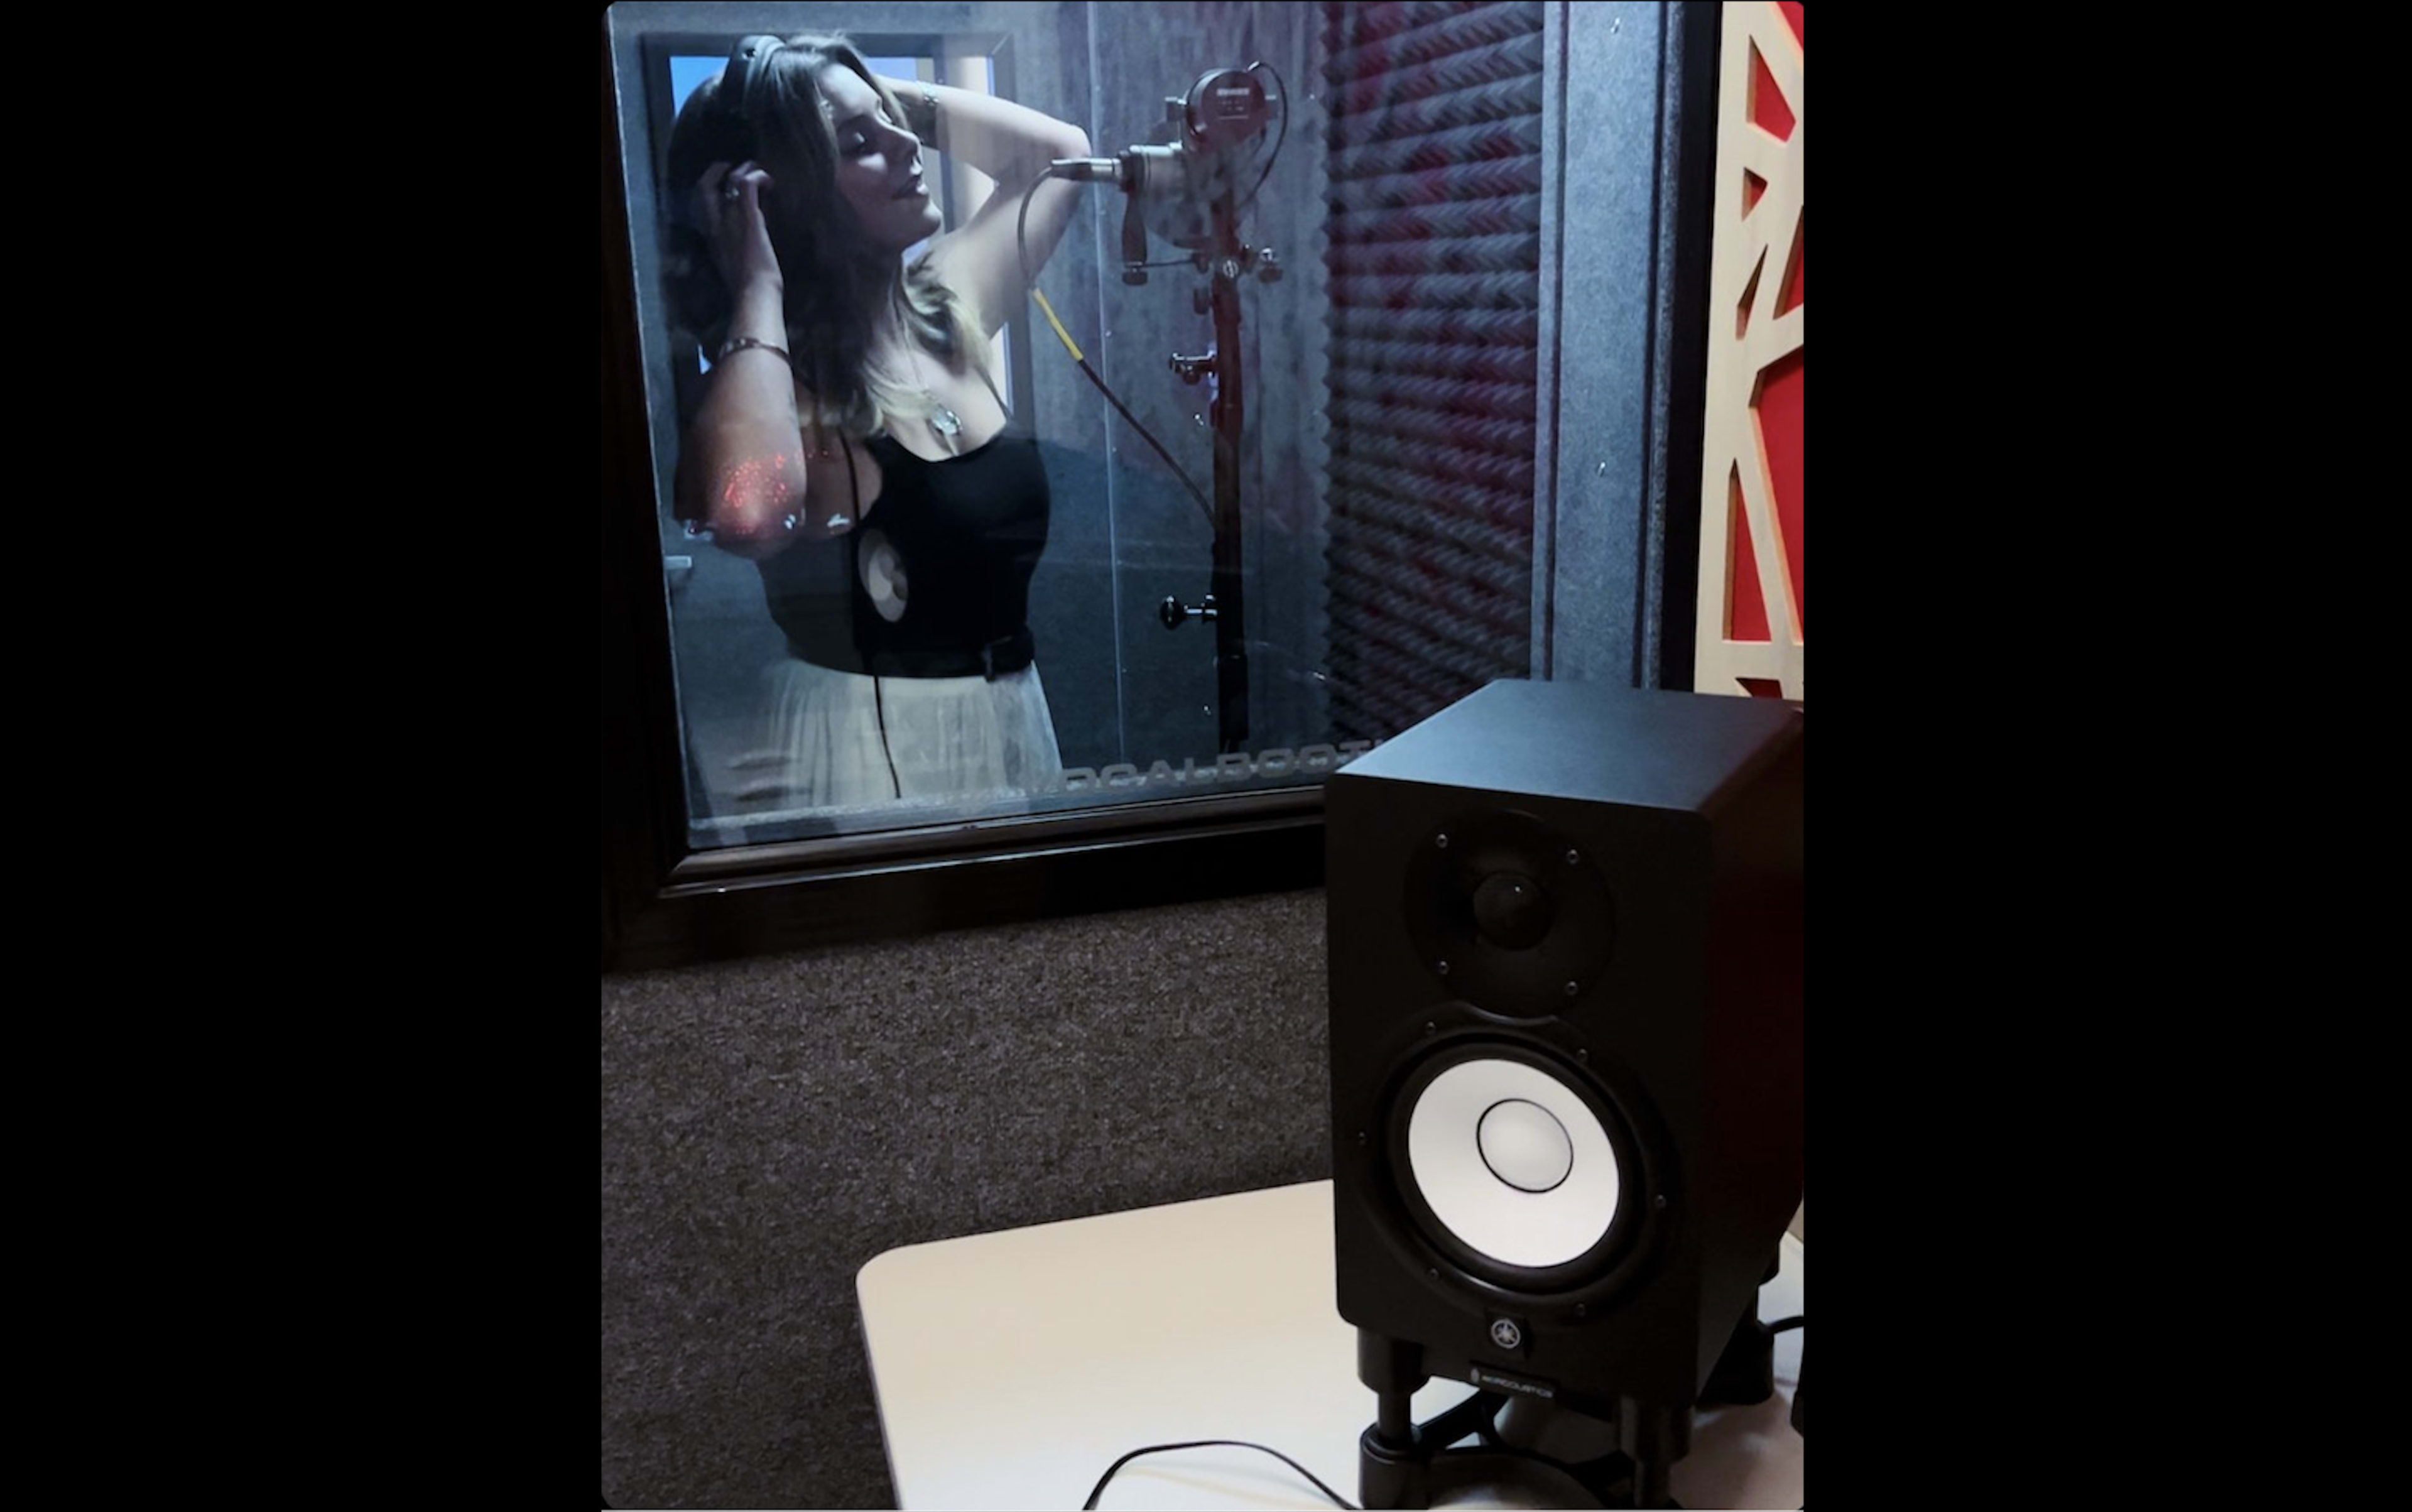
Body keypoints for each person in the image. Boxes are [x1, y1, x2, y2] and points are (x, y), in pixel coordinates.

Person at [663, 33, 1090, 812]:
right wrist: (759, 284)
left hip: (1011, 715)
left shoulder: (945, 303)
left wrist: (837, 87)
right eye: (861, 144)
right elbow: (748, 516)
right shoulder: (773, 379)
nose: (905, 146)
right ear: (781, 196)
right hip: (869, 740)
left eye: (893, 121)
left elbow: (1059, 154)